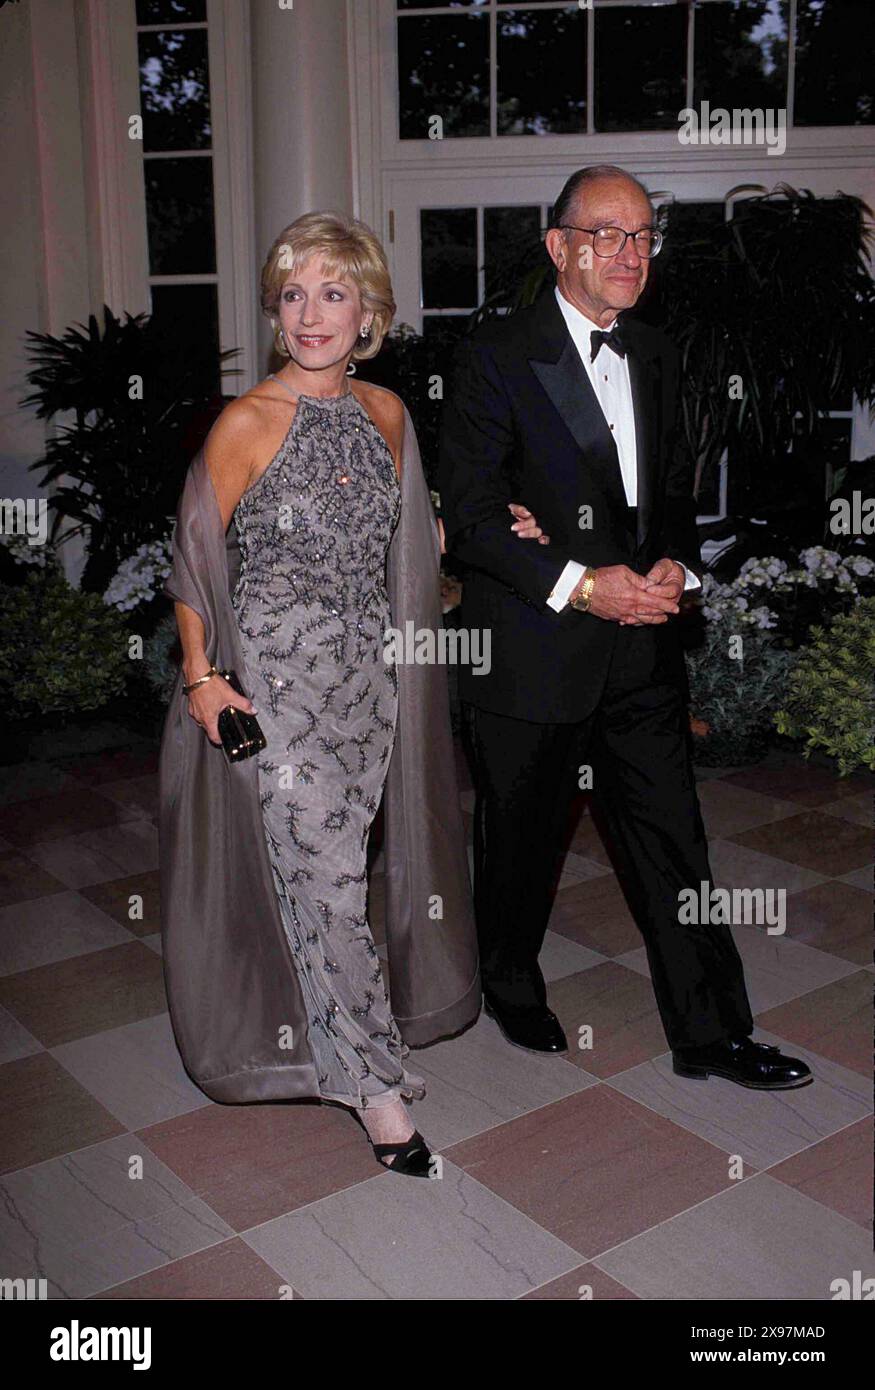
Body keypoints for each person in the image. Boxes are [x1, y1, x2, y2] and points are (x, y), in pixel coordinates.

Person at [159, 211, 552, 1177]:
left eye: (332, 293)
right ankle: (376, 1091)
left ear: (369, 309)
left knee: (329, 876)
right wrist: (204, 680)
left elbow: (410, 538)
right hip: (274, 687)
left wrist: (497, 522)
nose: (310, 313)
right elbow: (193, 560)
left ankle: (332, 1037)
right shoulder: (246, 422)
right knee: (328, 883)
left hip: (367, 685)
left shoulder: (384, 413)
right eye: (293, 294)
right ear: (275, 309)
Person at [437, 166, 811, 1091]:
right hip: (531, 649)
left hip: (642, 650)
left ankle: (710, 1031)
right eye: (604, 234)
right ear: (558, 246)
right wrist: (578, 584)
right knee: (520, 843)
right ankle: (508, 978)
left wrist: (673, 565)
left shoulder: (658, 350)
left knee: (671, 841)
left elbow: (669, 495)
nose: (627, 252)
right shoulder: (492, 354)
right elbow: (474, 521)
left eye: (642, 235)